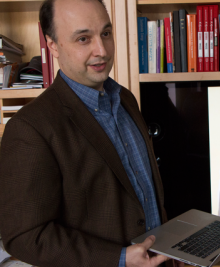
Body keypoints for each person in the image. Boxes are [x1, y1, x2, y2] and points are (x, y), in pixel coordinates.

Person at [0, 0, 180, 266]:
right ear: (52, 46)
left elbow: (144, 194)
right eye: (83, 38)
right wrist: (119, 259)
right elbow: (25, 236)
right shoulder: (30, 128)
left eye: (105, 33)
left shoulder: (126, 99)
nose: (102, 50)